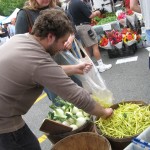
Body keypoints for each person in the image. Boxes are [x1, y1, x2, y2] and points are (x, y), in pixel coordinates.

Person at [0, 9, 113, 150]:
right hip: (4, 122)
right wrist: (104, 112)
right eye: (63, 41)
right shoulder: (37, 59)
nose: (62, 48)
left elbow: (40, 71)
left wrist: (74, 69)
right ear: (50, 37)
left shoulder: (22, 39)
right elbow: (76, 95)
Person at [68, 0, 112, 73]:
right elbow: (90, 15)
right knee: (95, 45)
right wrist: (97, 12)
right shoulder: (79, 2)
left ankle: (91, 67)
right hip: (85, 27)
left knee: (86, 48)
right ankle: (101, 66)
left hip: (77, 27)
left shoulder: (70, 4)